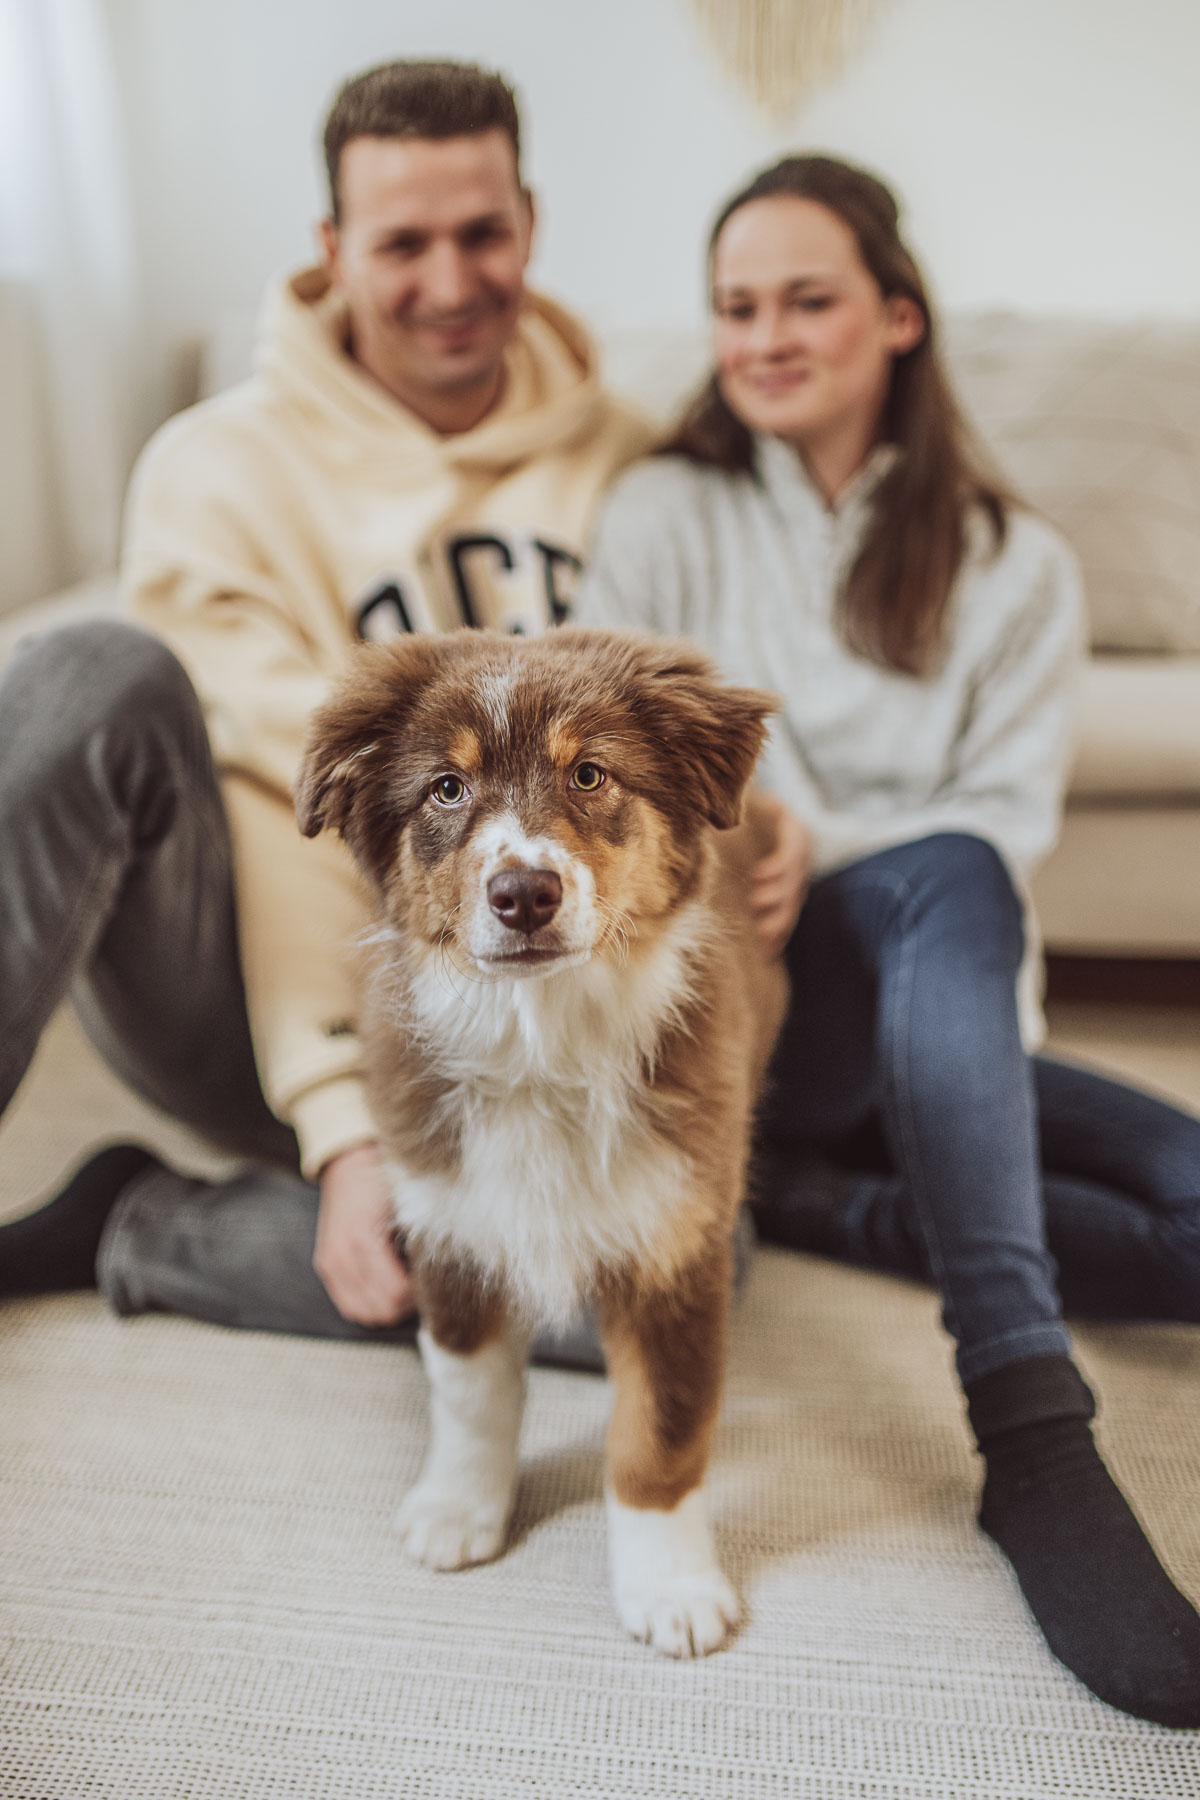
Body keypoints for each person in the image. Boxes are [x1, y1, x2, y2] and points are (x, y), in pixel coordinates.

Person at [575, 153, 1200, 1726]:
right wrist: (746, 841)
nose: (764, 334)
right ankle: (1031, 1423)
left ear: (899, 319)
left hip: (935, 1019)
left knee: (975, 907)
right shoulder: (662, 509)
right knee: (942, 876)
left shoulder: (1015, 565)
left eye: (807, 300)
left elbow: (998, 834)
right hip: (736, 1002)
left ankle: (820, 1202)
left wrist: (805, 832)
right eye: (734, 307)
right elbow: (600, 768)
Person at [0, 58, 649, 1360]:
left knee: (660, 1285)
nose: (451, 283)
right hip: (240, 988)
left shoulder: (634, 461)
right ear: (330, 245)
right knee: (89, 669)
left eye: (482, 234)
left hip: (531, 1033)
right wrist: (351, 1117)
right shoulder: (213, 467)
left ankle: (140, 1218)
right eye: (403, 242)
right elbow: (298, 802)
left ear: (529, 220)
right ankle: (323, 1172)